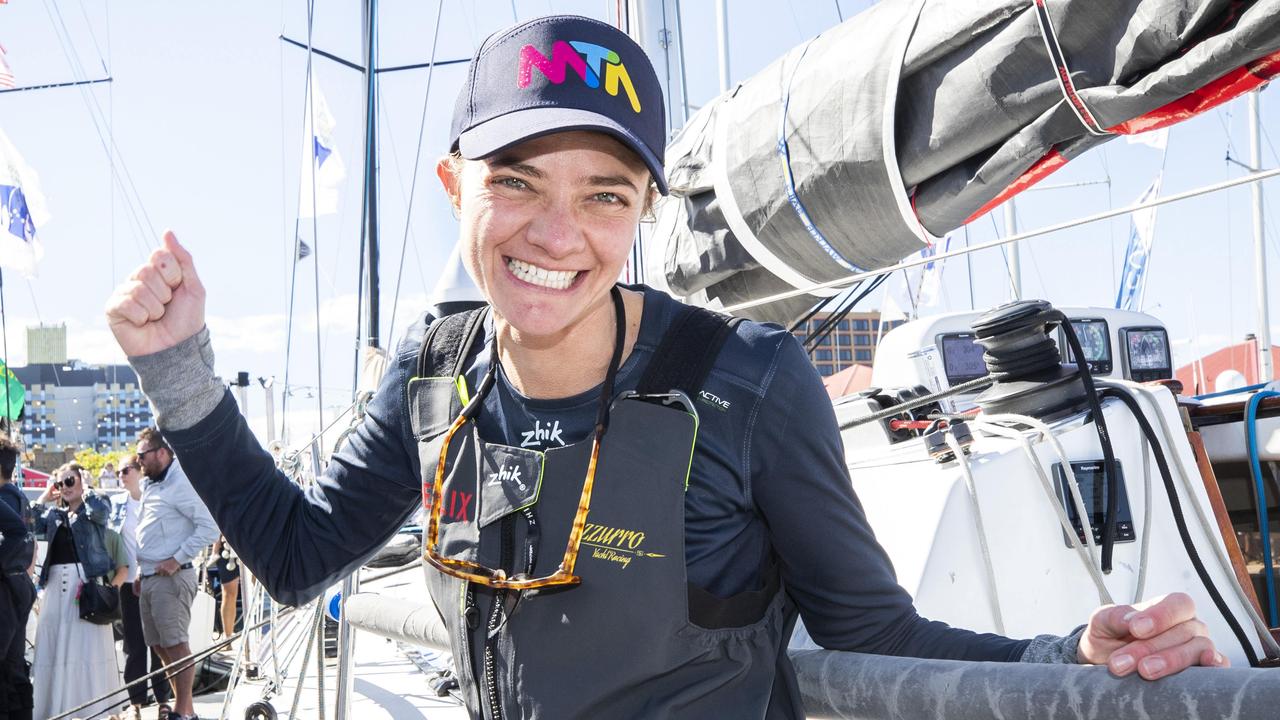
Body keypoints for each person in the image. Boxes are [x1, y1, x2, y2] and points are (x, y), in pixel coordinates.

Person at [105, 15, 1226, 719]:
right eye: (516, 183)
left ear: (642, 211)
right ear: (455, 188)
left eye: (604, 195)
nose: (557, 234)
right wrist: (180, 372)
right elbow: (299, 559)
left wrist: (1061, 655)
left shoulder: (749, 380)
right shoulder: (432, 372)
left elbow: (875, 635)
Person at [30, 463, 128, 720]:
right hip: (54, 587)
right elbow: (29, 524)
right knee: (55, 646)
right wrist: (44, 497)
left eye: (69, 481)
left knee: (85, 648)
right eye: (61, 484)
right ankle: (57, 709)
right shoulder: (54, 516)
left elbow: (101, 510)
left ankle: (91, 710)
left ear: (81, 480)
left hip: (83, 586)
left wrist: (86, 485)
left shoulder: (93, 509)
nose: (65, 487)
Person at [132, 428, 218, 720]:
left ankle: (184, 712)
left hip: (171, 578)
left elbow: (209, 527)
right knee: (159, 646)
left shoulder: (180, 482)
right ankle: (185, 710)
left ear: (162, 452)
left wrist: (177, 559)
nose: (138, 460)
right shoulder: (153, 485)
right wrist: (141, 572)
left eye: (142, 455)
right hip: (151, 578)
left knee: (177, 644)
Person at [109, 461, 171, 720]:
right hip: (127, 583)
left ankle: (163, 701)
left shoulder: (155, 498)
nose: (121, 476)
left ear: (137, 472)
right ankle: (135, 703)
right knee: (133, 644)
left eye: (125, 471)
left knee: (159, 642)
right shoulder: (116, 504)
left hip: (154, 578)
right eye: (118, 473)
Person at [0, 437, 35, 720]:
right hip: (18, 582)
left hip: (7, 586)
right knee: (12, 665)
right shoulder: (20, 496)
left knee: (6, 666)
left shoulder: (5, 497)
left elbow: (18, 534)